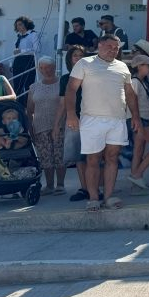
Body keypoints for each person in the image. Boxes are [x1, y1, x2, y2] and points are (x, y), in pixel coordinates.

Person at [63, 33, 141, 212]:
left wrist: (135, 116)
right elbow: (71, 89)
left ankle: (109, 197)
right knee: (93, 159)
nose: (113, 50)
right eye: (109, 47)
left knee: (112, 157)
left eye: (116, 48)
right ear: (99, 45)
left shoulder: (122, 66)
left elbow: (130, 93)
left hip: (117, 119)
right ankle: (93, 198)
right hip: (92, 119)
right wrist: (71, 114)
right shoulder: (84, 63)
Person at [53, 45, 88, 202]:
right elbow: (62, 103)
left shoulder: (92, 76)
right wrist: (56, 125)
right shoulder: (65, 79)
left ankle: (96, 187)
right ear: (70, 59)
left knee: (94, 156)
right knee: (79, 156)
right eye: (75, 56)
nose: (78, 58)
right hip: (75, 120)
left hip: (93, 118)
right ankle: (85, 188)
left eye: (81, 55)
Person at [26, 56, 64, 194]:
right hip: (40, 126)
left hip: (59, 125)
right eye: (42, 68)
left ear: (54, 67)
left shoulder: (62, 83)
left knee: (59, 156)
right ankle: (49, 185)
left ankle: (60, 185)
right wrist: (30, 129)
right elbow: (29, 110)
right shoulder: (34, 87)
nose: (45, 70)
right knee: (45, 157)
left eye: (48, 67)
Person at [125, 54, 149, 191]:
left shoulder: (141, 81)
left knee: (138, 150)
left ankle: (136, 182)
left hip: (140, 119)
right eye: (148, 65)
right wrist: (137, 119)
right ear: (139, 66)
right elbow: (131, 101)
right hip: (140, 120)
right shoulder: (135, 82)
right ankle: (138, 174)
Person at [11, 16, 39, 103]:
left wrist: (22, 51)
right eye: (17, 25)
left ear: (26, 24)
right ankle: (18, 103)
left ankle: (29, 104)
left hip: (28, 60)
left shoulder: (33, 34)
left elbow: (37, 49)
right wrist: (11, 64)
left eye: (20, 24)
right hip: (18, 61)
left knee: (28, 84)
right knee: (17, 83)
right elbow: (16, 52)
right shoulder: (19, 36)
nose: (18, 27)